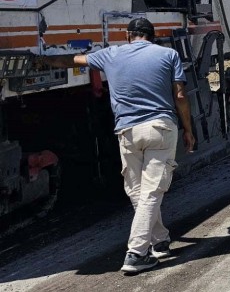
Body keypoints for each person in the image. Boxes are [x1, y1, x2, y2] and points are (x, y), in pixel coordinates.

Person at [39, 18, 195, 274]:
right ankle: (136, 252)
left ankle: (160, 239)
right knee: (151, 191)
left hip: (127, 132)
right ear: (151, 36)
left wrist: (44, 59)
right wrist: (188, 129)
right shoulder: (169, 54)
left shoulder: (110, 54)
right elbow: (179, 95)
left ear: (127, 35)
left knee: (138, 191)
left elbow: (73, 61)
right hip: (160, 127)